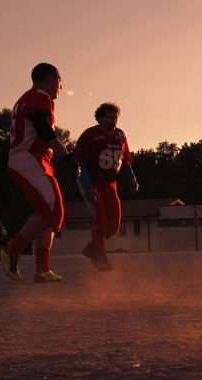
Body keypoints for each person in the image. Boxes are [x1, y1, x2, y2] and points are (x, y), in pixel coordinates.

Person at [0, 63, 76, 283]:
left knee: (50, 213)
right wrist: (67, 157)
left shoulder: (28, 99)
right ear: (49, 78)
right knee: (53, 208)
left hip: (35, 159)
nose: (61, 86)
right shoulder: (39, 97)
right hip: (28, 158)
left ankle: (42, 268)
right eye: (59, 80)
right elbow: (44, 131)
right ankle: (11, 250)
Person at [74, 103, 138, 271]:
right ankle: (100, 258)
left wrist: (131, 178)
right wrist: (87, 185)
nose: (113, 120)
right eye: (109, 117)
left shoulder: (120, 135)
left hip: (110, 184)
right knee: (101, 221)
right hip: (93, 183)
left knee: (114, 224)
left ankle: (93, 248)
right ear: (100, 118)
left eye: (115, 117)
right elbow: (80, 162)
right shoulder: (90, 134)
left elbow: (125, 160)